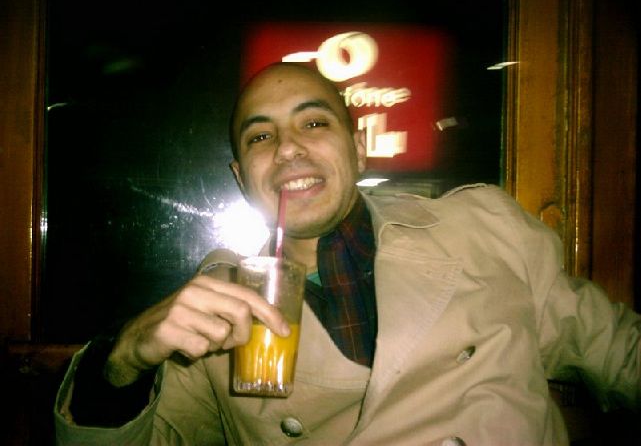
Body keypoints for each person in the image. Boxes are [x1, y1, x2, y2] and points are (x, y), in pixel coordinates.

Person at [54, 62, 640, 445]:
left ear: (358, 150)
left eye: (313, 123)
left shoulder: (482, 230)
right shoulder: (215, 306)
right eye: (261, 136)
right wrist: (123, 356)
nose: (288, 149)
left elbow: (620, 354)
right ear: (241, 177)